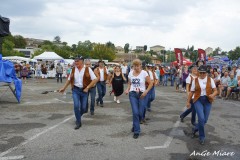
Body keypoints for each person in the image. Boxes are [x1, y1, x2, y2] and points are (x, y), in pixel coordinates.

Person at [59, 56, 98, 129]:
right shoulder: (73, 69)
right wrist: (64, 88)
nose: (75, 62)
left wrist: (87, 87)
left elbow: (95, 79)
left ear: (82, 61)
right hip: (75, 90)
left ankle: (78, 116)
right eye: (75, 61)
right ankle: (78, 122)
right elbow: (69, 80)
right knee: (76, 106)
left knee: (83, 108)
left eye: (77, 61)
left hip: (84, 91)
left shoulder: (88, 69)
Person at [186, 65, 218, 145]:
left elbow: (215, 91)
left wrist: (212, 95)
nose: (202, 74)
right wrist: (188, 102)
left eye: (204, 73)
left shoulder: (210, 79)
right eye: (201, 73)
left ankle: (195, 129)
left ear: (206, 73)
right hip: (198, 100)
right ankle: (202, 137)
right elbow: (191, 92)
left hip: (208, 100)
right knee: (201, 118)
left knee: (205, 120)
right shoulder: (195, 80)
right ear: (198, 73)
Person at [125, 59, 153, 139]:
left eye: (137, 66)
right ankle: (137, 131)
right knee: (135, 112)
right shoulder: (130, 73)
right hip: (133, 94)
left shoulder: (144, 73)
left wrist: (146, 91)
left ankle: (134, 125)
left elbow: (151, 83)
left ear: (140, 65)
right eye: (134, 66)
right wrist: (127, 89)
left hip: (142, 95)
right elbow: (129, 83)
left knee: (141, 113)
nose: (136, 68)